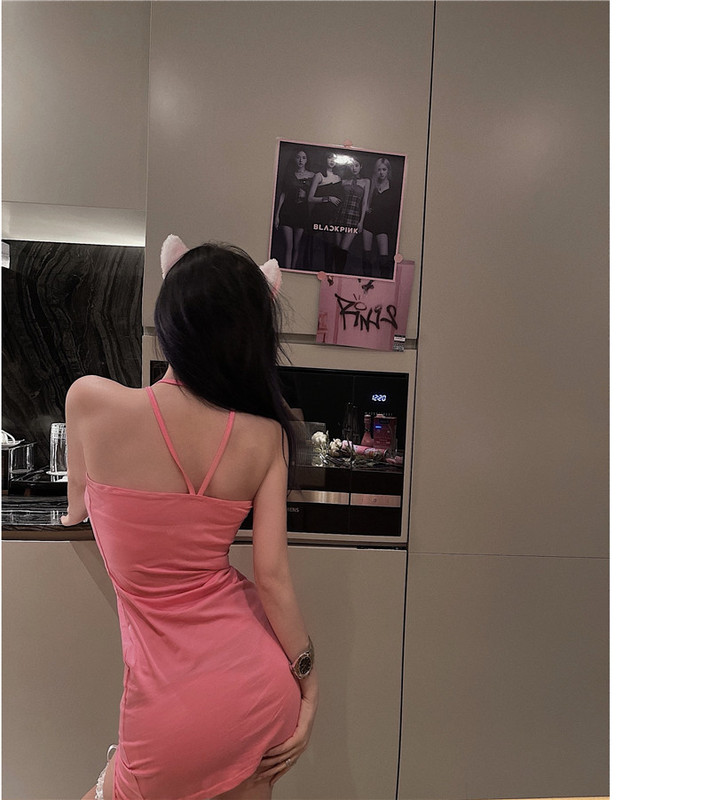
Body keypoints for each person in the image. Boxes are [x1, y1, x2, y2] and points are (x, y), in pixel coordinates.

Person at [62, 236, 318, 800]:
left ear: (170, 319)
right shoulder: (266, 437)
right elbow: (272, 578)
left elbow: (76, 510)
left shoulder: (89, 402)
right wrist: (307, 676)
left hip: (167, 710)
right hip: (259, 688)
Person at [273, 149, 314, 269]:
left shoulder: (312, 175)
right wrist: (277, 215)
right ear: (294, 159)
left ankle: (293, 270)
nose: (301, 160)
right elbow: (283, 194)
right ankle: (287, 270)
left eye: (304, 158)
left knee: (297, 246)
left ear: (307, 160)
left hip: (302, 211)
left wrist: (306, 195)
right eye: (298, 157)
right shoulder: (289, 175)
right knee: (288, 246)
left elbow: (314, 195)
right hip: (287, 211)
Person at [332, 154, 371, 274]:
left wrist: (361, 222)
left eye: (356, 165)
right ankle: (334, 276)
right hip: (340, 215)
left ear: (361, 166)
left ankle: (339, 276)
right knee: (337, 249)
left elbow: (364, 202)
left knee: (344, 249)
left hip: (354, 218)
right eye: (351, 165)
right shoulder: (344, 181)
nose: (354, 168)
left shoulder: (366, 181)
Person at [363, 157, 398, 278]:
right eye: (379, 170)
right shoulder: (372, 184)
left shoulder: (393, 187)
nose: (381, 172)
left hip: (383, 224)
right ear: (375, 171)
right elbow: (365, 203)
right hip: (369, 222)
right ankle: (365, 282)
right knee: (366, 256)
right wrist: (367, 208)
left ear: (388, 170)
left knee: (384, 259)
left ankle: (384, 284)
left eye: (384, 169)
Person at [307, 151, 342, 270]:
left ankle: (328, 275)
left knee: (329, 248)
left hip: (332, 217)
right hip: (318, 215)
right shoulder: (319, 175)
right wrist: (328, 198)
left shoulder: (338, 177)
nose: (332, 161)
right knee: (313, 247)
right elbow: (310, 198)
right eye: (329, 158)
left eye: (334, 158)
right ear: (325, 159)